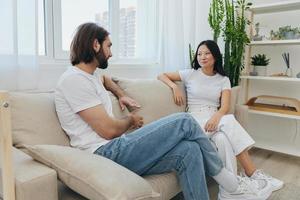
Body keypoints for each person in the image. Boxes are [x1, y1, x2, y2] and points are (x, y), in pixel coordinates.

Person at [54, 23, 272, 200]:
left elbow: (106, 79)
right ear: (95, 45)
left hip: (118, 149)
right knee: (185, 121)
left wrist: (120, 93)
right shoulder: (73, 79)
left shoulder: (90, 76)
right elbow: (109, 131)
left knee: (190, 150)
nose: (111, 53)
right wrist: (131, 120)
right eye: (108, 46)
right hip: (104, 153)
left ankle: (226, 185)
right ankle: (230, 183)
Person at [158, 40, 283, 199]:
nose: (202, 57)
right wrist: (174, 86)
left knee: (223, 138)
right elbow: (161, 75)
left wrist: (216, 117)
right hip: (194, 120)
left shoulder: (223, 79)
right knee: (229, 121)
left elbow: (224, 107)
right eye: (199, 54)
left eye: (207, 53)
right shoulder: (189, 74)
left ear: (215, 56)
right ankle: (253, 173)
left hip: (214, 118)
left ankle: (228, 191)